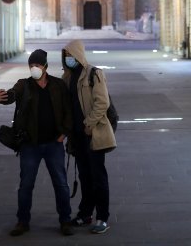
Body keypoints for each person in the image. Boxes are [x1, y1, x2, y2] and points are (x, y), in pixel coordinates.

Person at [0, 49, 74, 237]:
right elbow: (11, 95)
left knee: (61, 183)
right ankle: (22, 221)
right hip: (30, 145)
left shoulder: (58, 85)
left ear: (45, 66)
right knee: (26, 184)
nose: (34, 68)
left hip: (53, 144)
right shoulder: (24, 85)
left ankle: (65, 220)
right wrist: (0, 97)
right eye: (31, 66)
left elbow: (68, 112)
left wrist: (63, 134)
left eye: (37, 65)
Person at [61, 39, 116, 235]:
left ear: (79, 55)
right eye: (66, 56)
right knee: (84, 176)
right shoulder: (66, 77)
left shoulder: (94, 74)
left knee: (98, 176)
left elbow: (103, 103)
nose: (69, 59)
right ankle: (85, 213)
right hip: (77, 136)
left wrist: (88, 124)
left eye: (71, 55)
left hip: (93, 134)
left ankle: (102, 217)